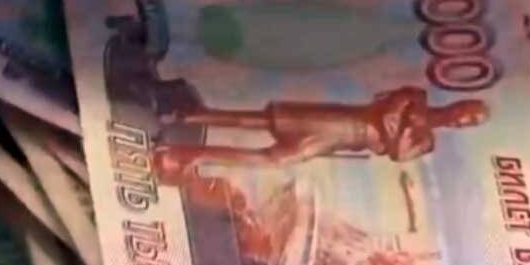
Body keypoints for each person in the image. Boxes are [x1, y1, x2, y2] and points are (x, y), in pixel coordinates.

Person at [153, 86, 488, 181]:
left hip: (342, 140)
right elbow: (387, 113)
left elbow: (399, 153)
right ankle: (192, 115)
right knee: (260, 121)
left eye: (471, 122)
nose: (463, 120)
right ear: (460, 104)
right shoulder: (418, 97)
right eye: (468, 113)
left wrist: (400, 129)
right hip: (335, 120)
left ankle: (190, 155)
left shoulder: (426, 141)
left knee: (274, 159)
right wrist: (397, 132)